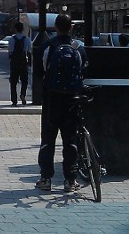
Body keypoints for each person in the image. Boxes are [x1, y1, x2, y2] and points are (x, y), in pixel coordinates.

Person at [35, 13, 88, 193]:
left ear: (55, 27)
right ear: (71, 27)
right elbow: (83, 69)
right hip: (72, 100)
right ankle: (70, 180)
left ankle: (45, 179)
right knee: (70, 139)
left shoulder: (47, 46)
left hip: (51, 99)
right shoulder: (78, 47)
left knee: (48, 140)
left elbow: (40, 71)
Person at [8, 21, 32, 106]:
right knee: (24, 81)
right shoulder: (27, 39)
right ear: (22, 29)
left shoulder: (11, 39)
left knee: (13, 82)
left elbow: (10, 51)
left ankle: (14, 100)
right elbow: (29, 50)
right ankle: (22, 94)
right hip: (23, 62)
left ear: (15, 29)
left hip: (14, 63)